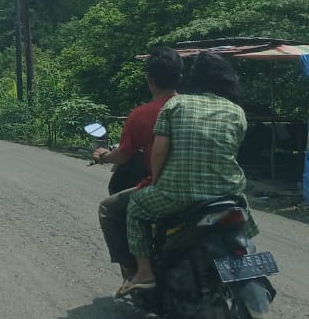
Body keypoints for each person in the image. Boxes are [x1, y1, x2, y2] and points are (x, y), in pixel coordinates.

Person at [118, 52, 255, 297]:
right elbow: (233, 148)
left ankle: (144, 271)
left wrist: (157, 183)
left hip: (179, 193)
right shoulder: (236, 111)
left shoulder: (176, 104)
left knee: (135, 207)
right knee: (243, 219)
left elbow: (159, 151)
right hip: (228, 193)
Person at [95, 47, 182, 281]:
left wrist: (103, 156)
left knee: (108, 209)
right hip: (210, 187)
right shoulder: (191, 108)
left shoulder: (143, 114)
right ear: (180, 78)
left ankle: (134, 271)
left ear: (149, 79)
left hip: (166, 186)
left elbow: (123, 155)